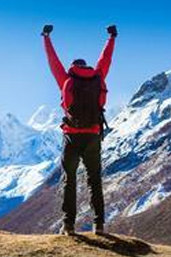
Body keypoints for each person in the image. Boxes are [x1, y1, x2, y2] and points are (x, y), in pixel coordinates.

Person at [41, 24, 117, 235]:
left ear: (73, 67)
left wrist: (46, 37)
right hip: (93, 135)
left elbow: (52, 60)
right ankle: (99, 225)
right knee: (94, 181)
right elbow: (106, 59)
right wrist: (112, 38)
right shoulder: (98, 76)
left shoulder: (67, 79)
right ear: (87, 67)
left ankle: (68, 226)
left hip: (72, 137)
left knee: (70, 180)